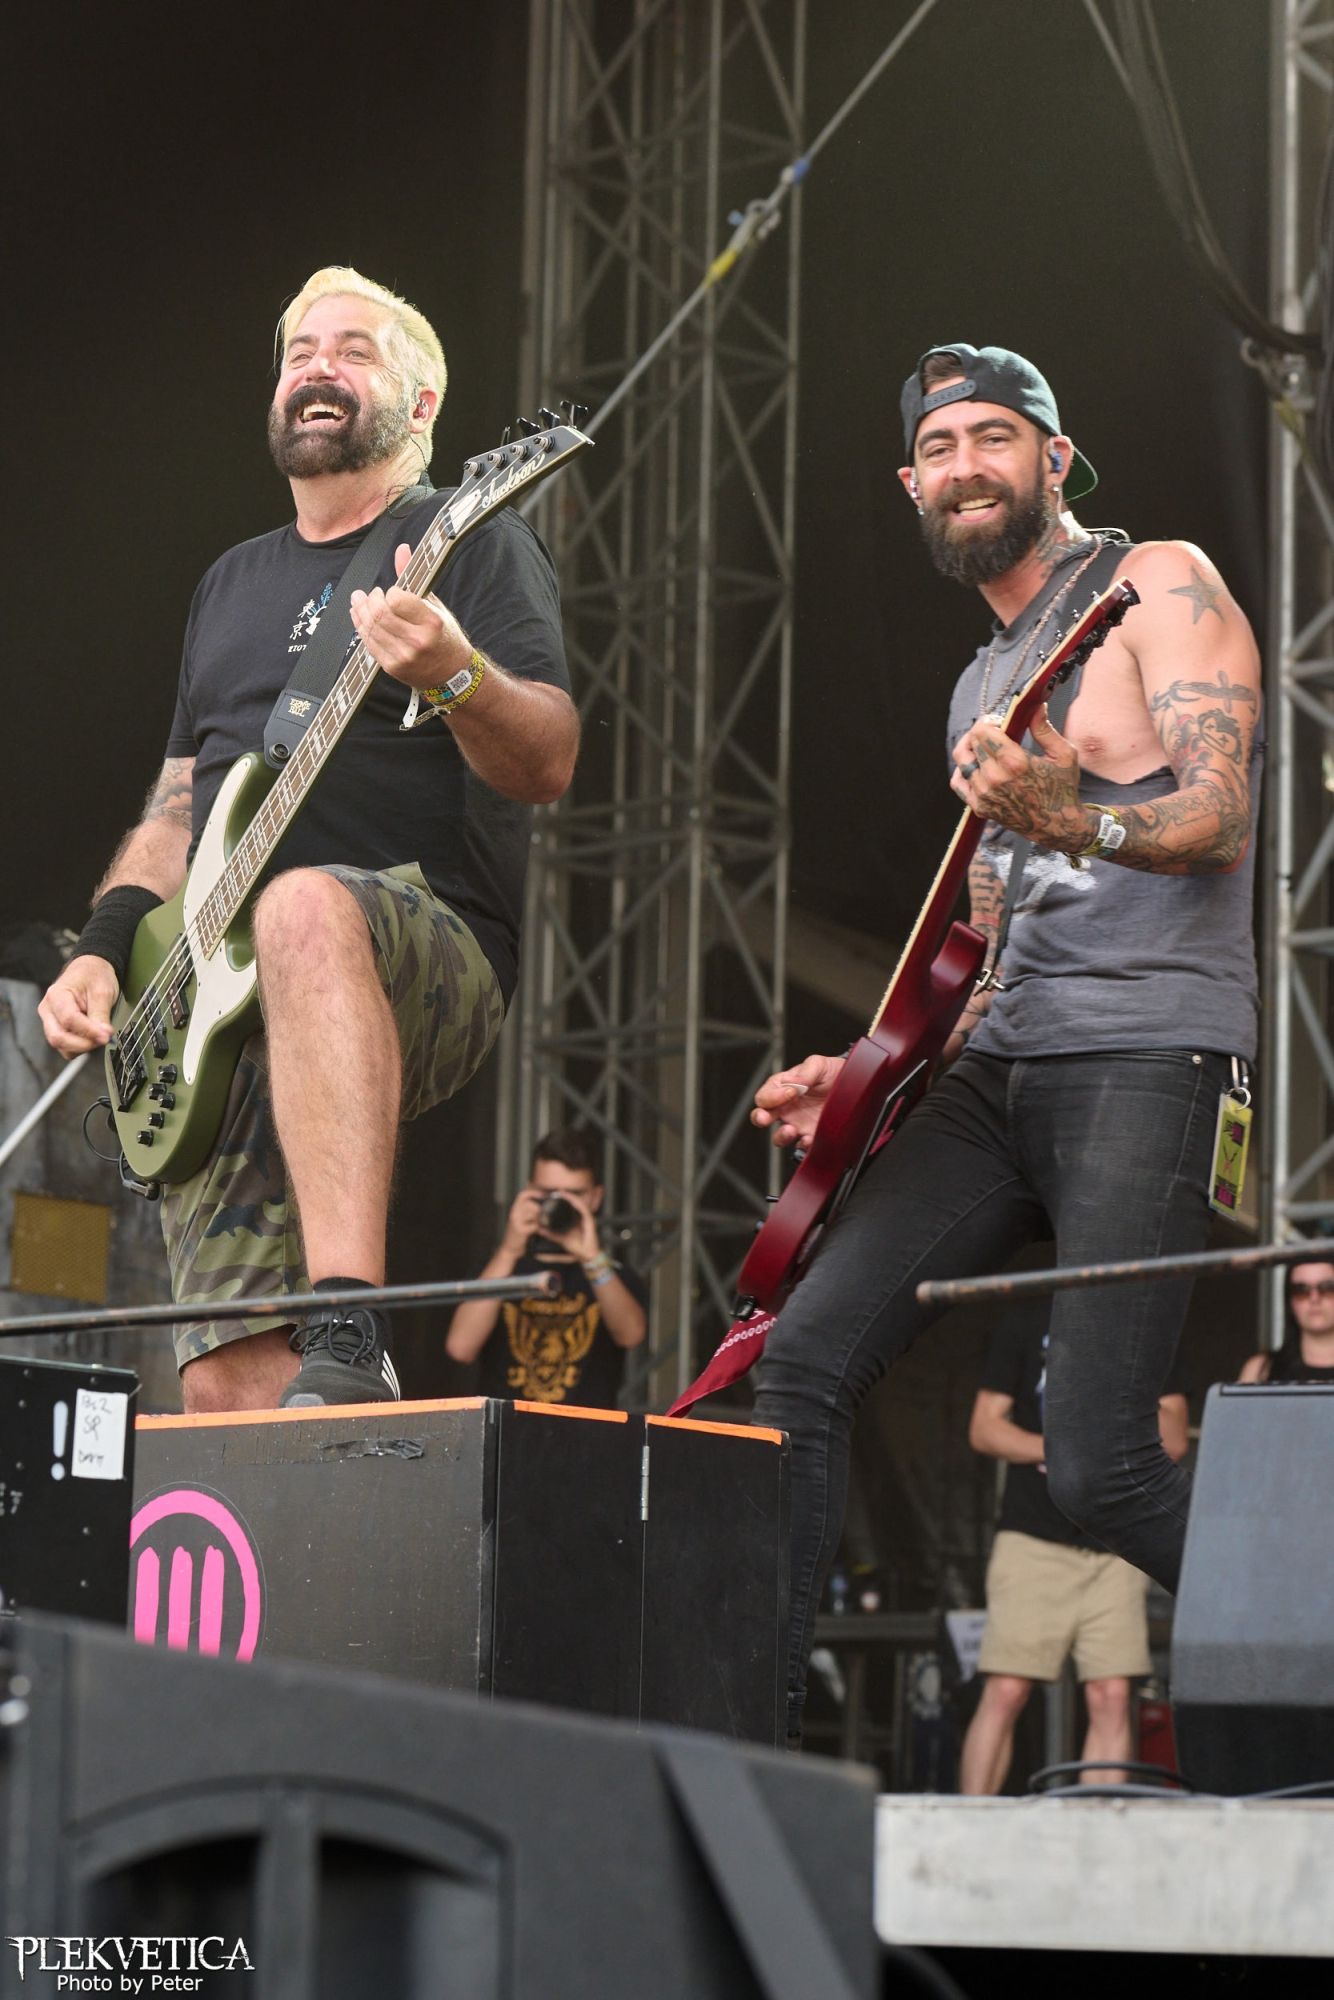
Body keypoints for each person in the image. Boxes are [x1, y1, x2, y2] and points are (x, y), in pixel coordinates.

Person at [749, 343, 1262, 1744]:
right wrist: (870, 1071)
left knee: (1097, 1465)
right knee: (799, 1363)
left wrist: (1073, 816)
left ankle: (1308, 1632)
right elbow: (981, 945)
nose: (965, 465)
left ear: (1054, 458)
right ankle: (759, 1748)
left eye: (993, 436)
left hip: (1148, 1054)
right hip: (996, 1072)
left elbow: (1220, 815)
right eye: (939, 447)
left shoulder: (1154, 583)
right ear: (909, 484)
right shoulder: (981, 682)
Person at [37, 266, 579, 1414]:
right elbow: (179, 803)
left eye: (353, 349)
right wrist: (105, 945)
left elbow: (546, 761)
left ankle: (349, 1320)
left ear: (422, 405)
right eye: (298, 351)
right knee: (227, 1388)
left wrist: (455, 674)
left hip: (421, 938)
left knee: (299, 903)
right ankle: (331, 1452)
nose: (317, 367)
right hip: (207, 996)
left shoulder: (467, 538)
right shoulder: (229, 581)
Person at [960, 1300, 1189, 1794]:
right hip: (1032, 1536)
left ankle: (1096, 1828)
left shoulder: (1146, 1320)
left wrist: (1120, 1384)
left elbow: (1174, 1437)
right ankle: (966, 1824)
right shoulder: (1027, 1318)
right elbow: (984, 1426)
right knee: (1007, 1688)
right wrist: (1067, 1452)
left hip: (1116, 1544)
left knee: (1112, 1694)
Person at [446, 1127, 647, 1406]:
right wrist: (509, 1250)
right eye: (548, 1193)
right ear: (529, 1191)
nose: (559, 1203)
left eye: (574, 1194)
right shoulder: (499, 1268)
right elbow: (461, 1347)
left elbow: (631, 1335)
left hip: (586, 1432)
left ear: (595, 1198)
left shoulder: (614, 1276)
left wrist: (591, 1257)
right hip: (507, 1430)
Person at [1238, 1258, 1334, 1384]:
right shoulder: (1260, 1370)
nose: (1314, 1298)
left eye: (1327, 1288)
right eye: (1301, 1290)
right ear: (1289, 1300)